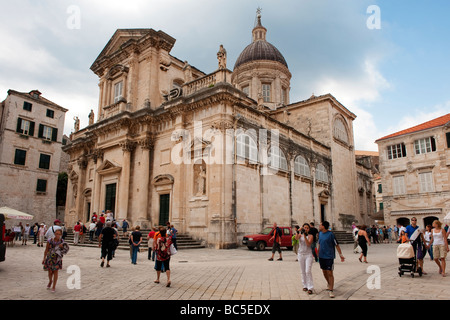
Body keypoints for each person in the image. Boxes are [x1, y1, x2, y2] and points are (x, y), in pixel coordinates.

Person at [317, 221, 345, 298]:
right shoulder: (320, 234)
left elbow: (337, 244)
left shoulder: (331, 234)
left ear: (324, 226)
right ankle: (329, 283)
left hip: (329, 256)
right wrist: (317, 253)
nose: (319, 226)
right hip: (321, 256)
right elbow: (319, 243)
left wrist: (341, 255)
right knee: (324, 272)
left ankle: (331, 290)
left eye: (320, 225)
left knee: (330, 273)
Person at [295, 223, 314, 294]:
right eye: (304, 227)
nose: (306, 229)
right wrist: (298, 231)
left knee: (307, 271)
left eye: (307, 228)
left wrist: (305, 236)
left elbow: (308, 244)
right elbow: (296, 238)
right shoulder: (300, 235)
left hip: (308, 255)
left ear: (309, 229)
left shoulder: (310, 236)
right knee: (302, 271)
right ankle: (304, 285)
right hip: (301, 254)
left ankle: (310, 287)